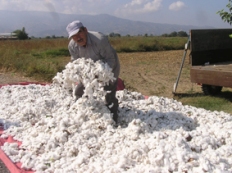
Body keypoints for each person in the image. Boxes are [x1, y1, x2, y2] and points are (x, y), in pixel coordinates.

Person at [66, 20, 120, 124]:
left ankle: (113, 120)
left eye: (79, 33)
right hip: (88, 72)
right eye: (74, 36)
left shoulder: (99, 40)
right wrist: (84, 76)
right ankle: (78, 115)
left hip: (108, 69)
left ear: (85, 30)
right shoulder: (72, 46)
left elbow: (110, 60)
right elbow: (76, 63)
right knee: (78, 91)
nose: (78, 38)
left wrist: (100, 76)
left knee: (109, 93)